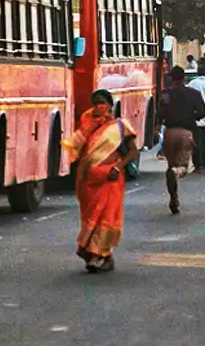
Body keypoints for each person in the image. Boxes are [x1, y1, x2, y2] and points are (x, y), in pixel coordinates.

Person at [61, 89, 138, 273]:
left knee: (104, 217)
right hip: (89, 182)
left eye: (102, 102)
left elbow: (133, 151)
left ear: (110, 105)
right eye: (95, 103)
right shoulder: (87, 126)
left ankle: (96, 256)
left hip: (111, 179)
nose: (98, 106)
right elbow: (77, 150)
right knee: (91, 219)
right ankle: (105, 256)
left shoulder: (121, 126)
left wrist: (118, 167)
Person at [158, 65, 205, 214]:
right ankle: (176, 173)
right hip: (186, 133)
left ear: (171, 78)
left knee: (170, 165)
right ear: (184, 78)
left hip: (169, 132)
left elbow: (159, 113)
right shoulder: (193, 94)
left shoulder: (165, 94)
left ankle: (174, 198)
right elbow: (202, 112)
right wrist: (192, 117)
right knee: (183, 167)